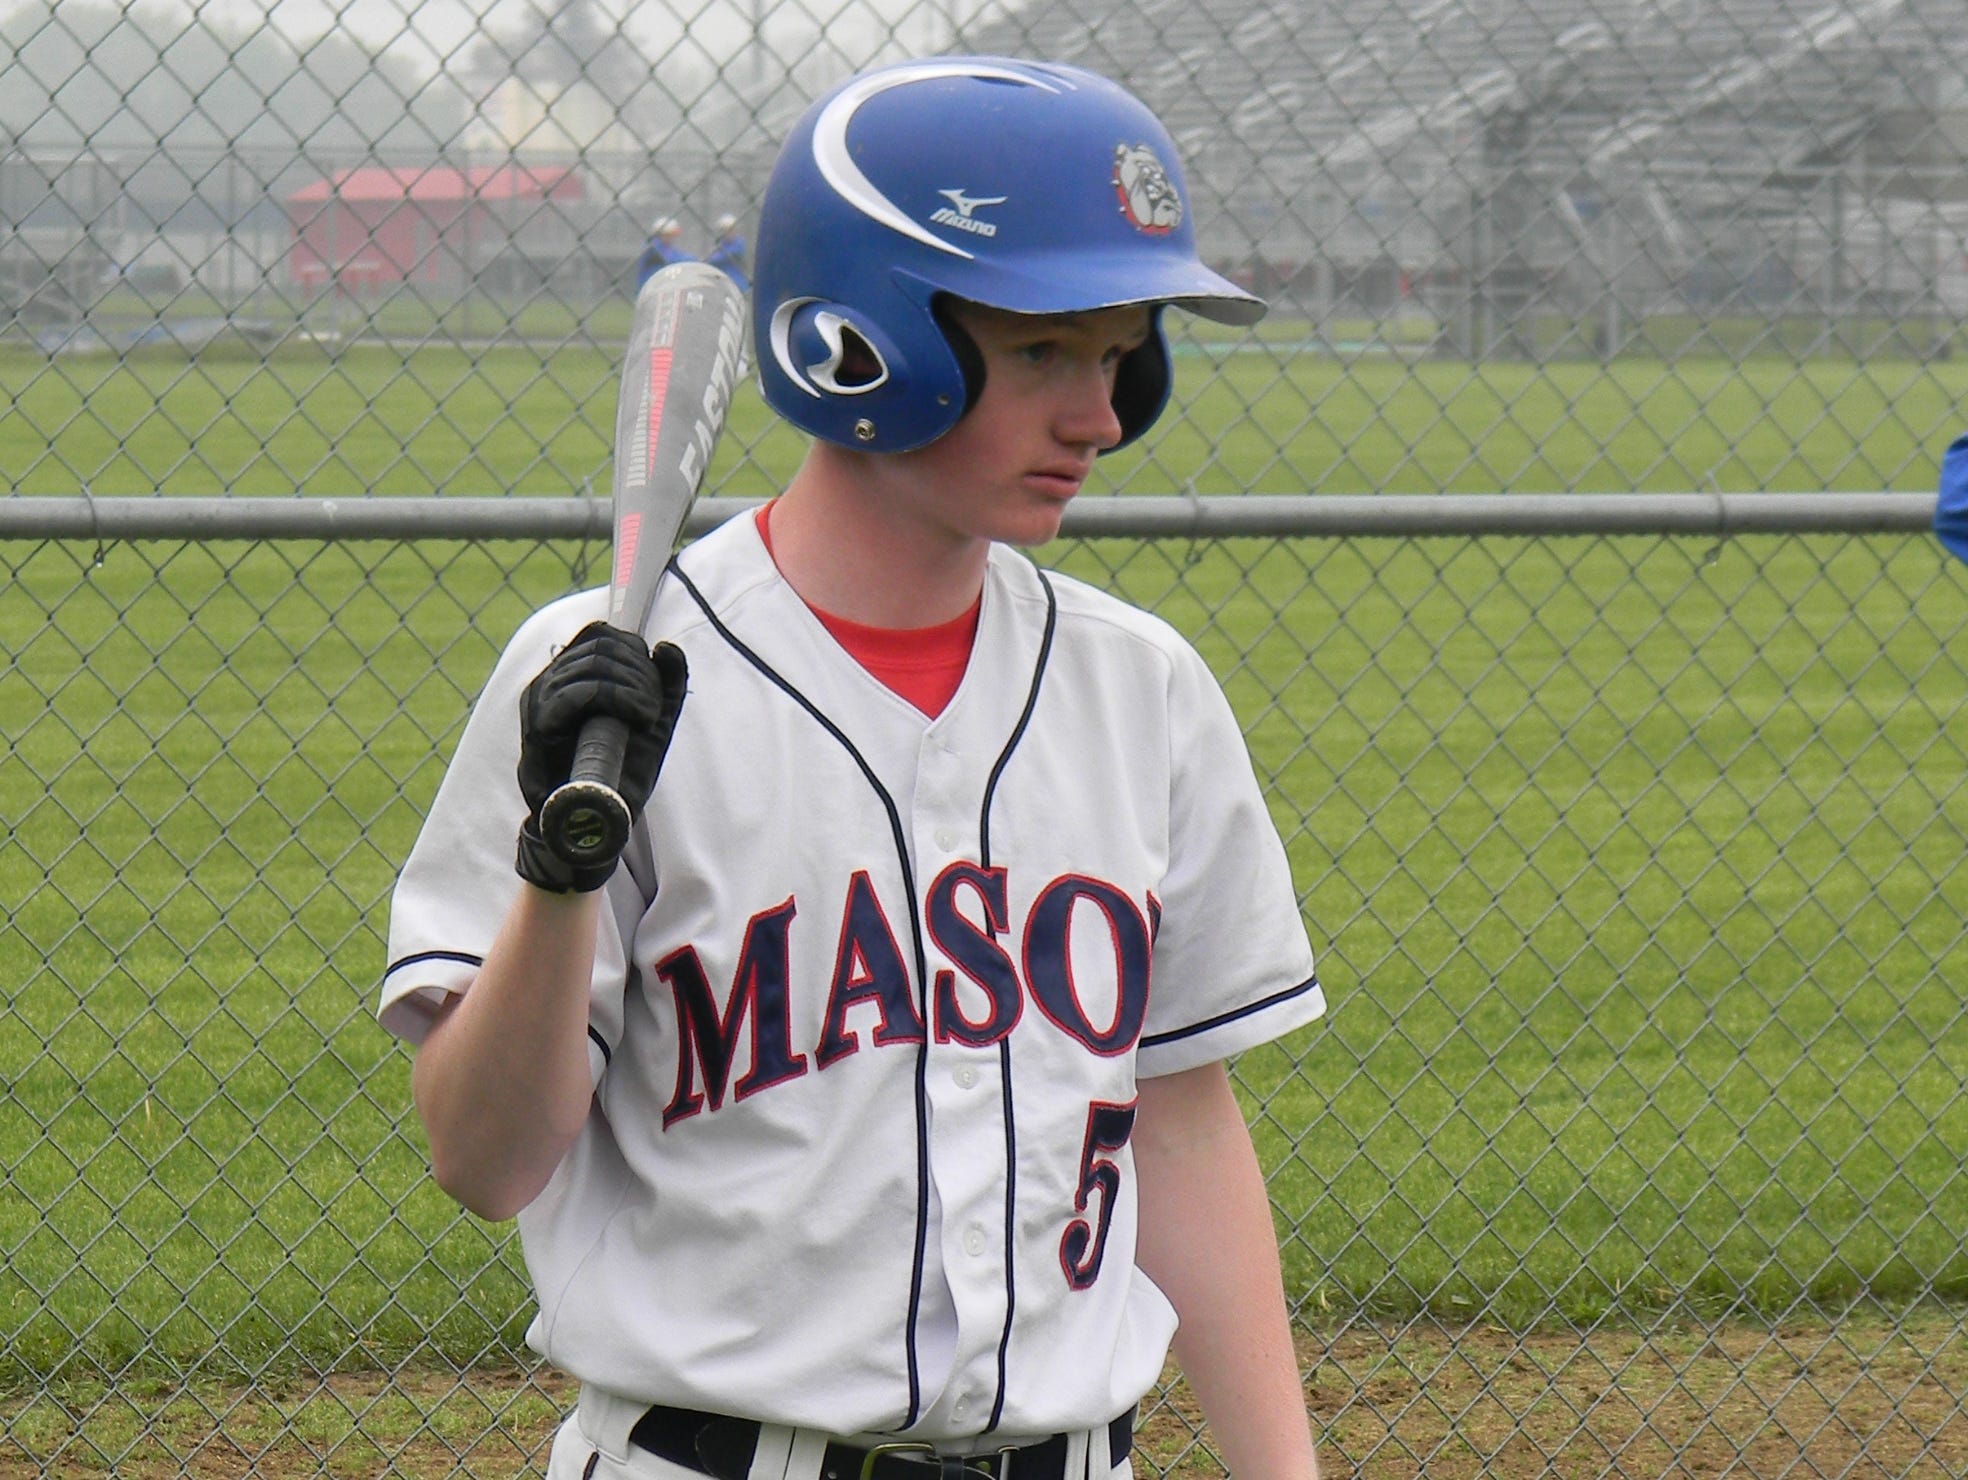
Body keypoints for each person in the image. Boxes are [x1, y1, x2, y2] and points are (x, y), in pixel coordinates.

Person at [381, 55, 1325, 1480]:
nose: (1104, 418)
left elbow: (1182, 1132)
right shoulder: (614, 678)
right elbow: (485, 1161)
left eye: (1122, 353)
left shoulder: (1142, 691)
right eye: (1046, 355)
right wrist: (560, 874)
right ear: (863, 343)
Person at [635, 215, 691, 290]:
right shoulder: (653, 247)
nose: (672, 238)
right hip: (651, 287)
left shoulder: (667, 248)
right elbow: (671, 259)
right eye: (670, 235)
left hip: (663, 286)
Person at [705, 212, 749, 293]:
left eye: (731, 230)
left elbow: (733, 253)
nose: (728, 233)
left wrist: (717, 256)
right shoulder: (720, 245)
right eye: (724, 230)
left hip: (738, 284)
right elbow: (711, 260)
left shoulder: (739, 243)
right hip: (722, 284)